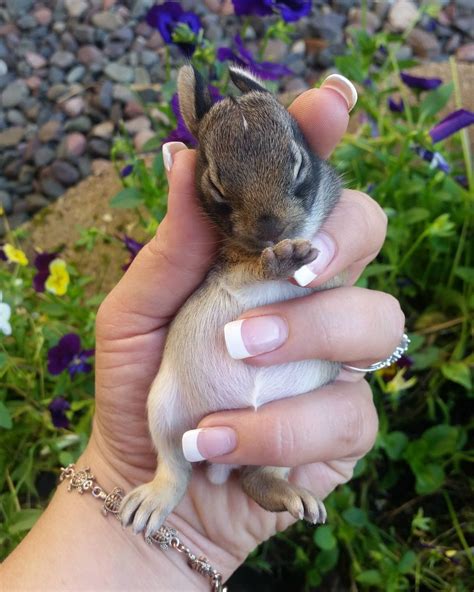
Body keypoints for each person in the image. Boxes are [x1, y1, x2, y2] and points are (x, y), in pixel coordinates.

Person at [1, 76, 404, 591]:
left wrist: (324, 253)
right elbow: (242, 259)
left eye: (297, 176)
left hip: (283, 366)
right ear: (206, 184)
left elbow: (328, 220)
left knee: (319, 359)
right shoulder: (229, 236)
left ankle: (266, 475)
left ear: (307, 161)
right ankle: (170, 477)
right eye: (219, 192)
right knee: (164, 397)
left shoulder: (326, 200)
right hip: (200, 367)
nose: (269, 223)